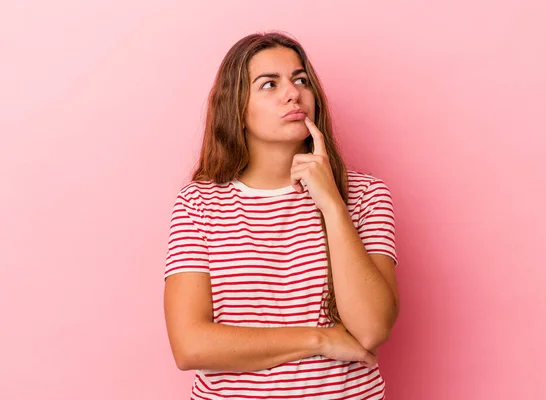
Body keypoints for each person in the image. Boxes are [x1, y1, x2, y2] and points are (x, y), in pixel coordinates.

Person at [163, 31, 399, 399]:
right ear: (237, 109)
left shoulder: (366, 195)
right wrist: (320, 339)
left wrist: (333, 204)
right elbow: (191, 345)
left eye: (300, 79)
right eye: (269, 84)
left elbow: (371, 329)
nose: (293, 93)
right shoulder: (199, 204)